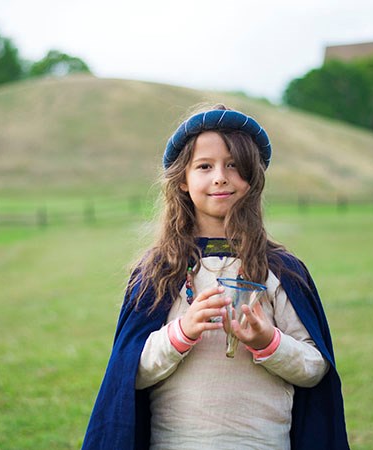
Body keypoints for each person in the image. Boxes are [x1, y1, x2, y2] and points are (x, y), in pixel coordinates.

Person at [82, 104, 349, 449]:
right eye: (204, 166)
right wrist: (183, 331)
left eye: (234, 165)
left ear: (252, 177)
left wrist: (267, 340)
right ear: (182, 180)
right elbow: (130, 374)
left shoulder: (281, 270)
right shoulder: (160, 271)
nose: (220, 177)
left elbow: (315, 367)